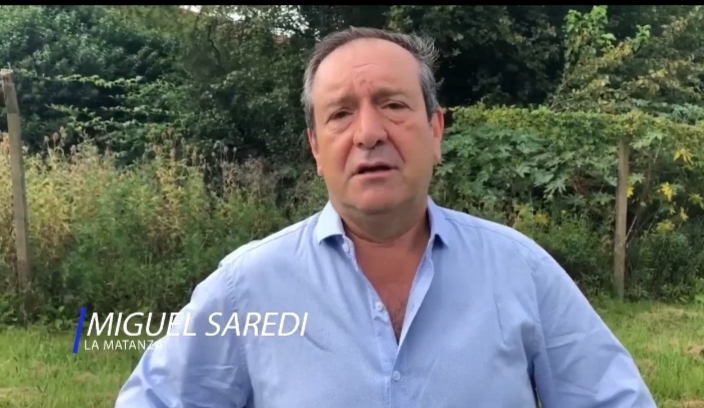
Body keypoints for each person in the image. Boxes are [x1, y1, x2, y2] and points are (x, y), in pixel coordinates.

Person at [115, 27, 656, 407]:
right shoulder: (246, 287)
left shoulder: (520, 270)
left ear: (436, 131)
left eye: (394, 105)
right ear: (316, 148)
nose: (369, 133)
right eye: (340, 113)